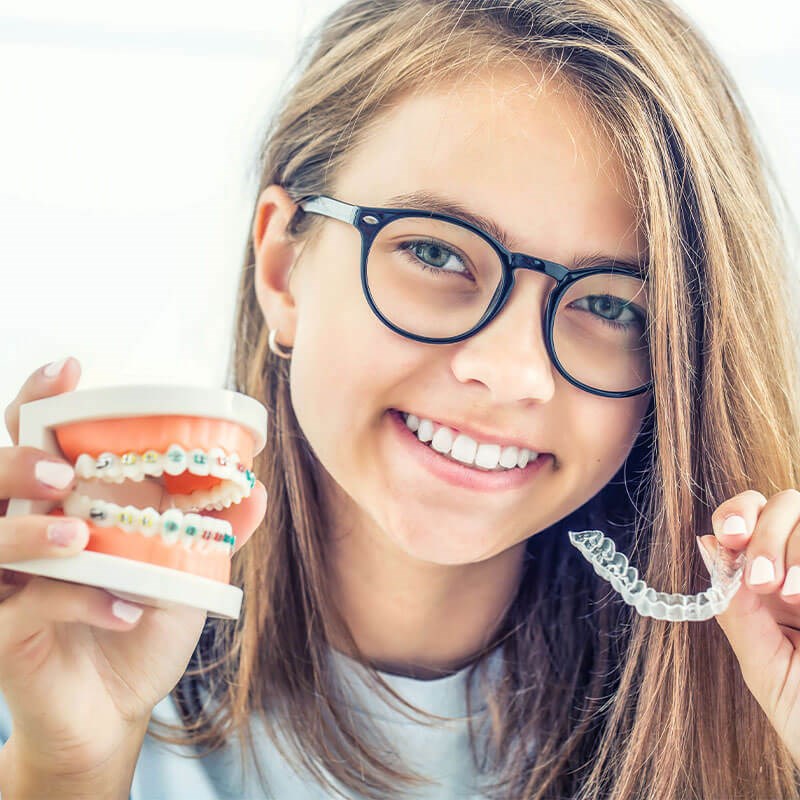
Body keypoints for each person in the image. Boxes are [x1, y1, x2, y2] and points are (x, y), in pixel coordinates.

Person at [1, 0, 799, 797]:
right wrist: (69, 765)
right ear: (283, 268)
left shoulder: (754, 696)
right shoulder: (46, 634)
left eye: (613, 305)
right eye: (433, 251)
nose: (512, 372)